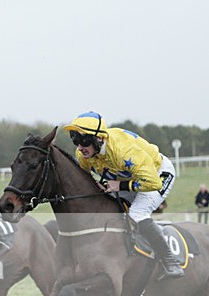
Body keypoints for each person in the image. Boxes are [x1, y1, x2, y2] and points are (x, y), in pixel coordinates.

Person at [64, 111, 183, 280]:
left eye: (84, 141)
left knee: (137, 213)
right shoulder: (83, 155)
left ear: (99, 139)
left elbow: (153, 183)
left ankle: (171, 260)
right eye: (75, 140)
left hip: (157, 174)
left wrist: (119, 186)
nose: (80, 147)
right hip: (128, 177)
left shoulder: (123, 151)